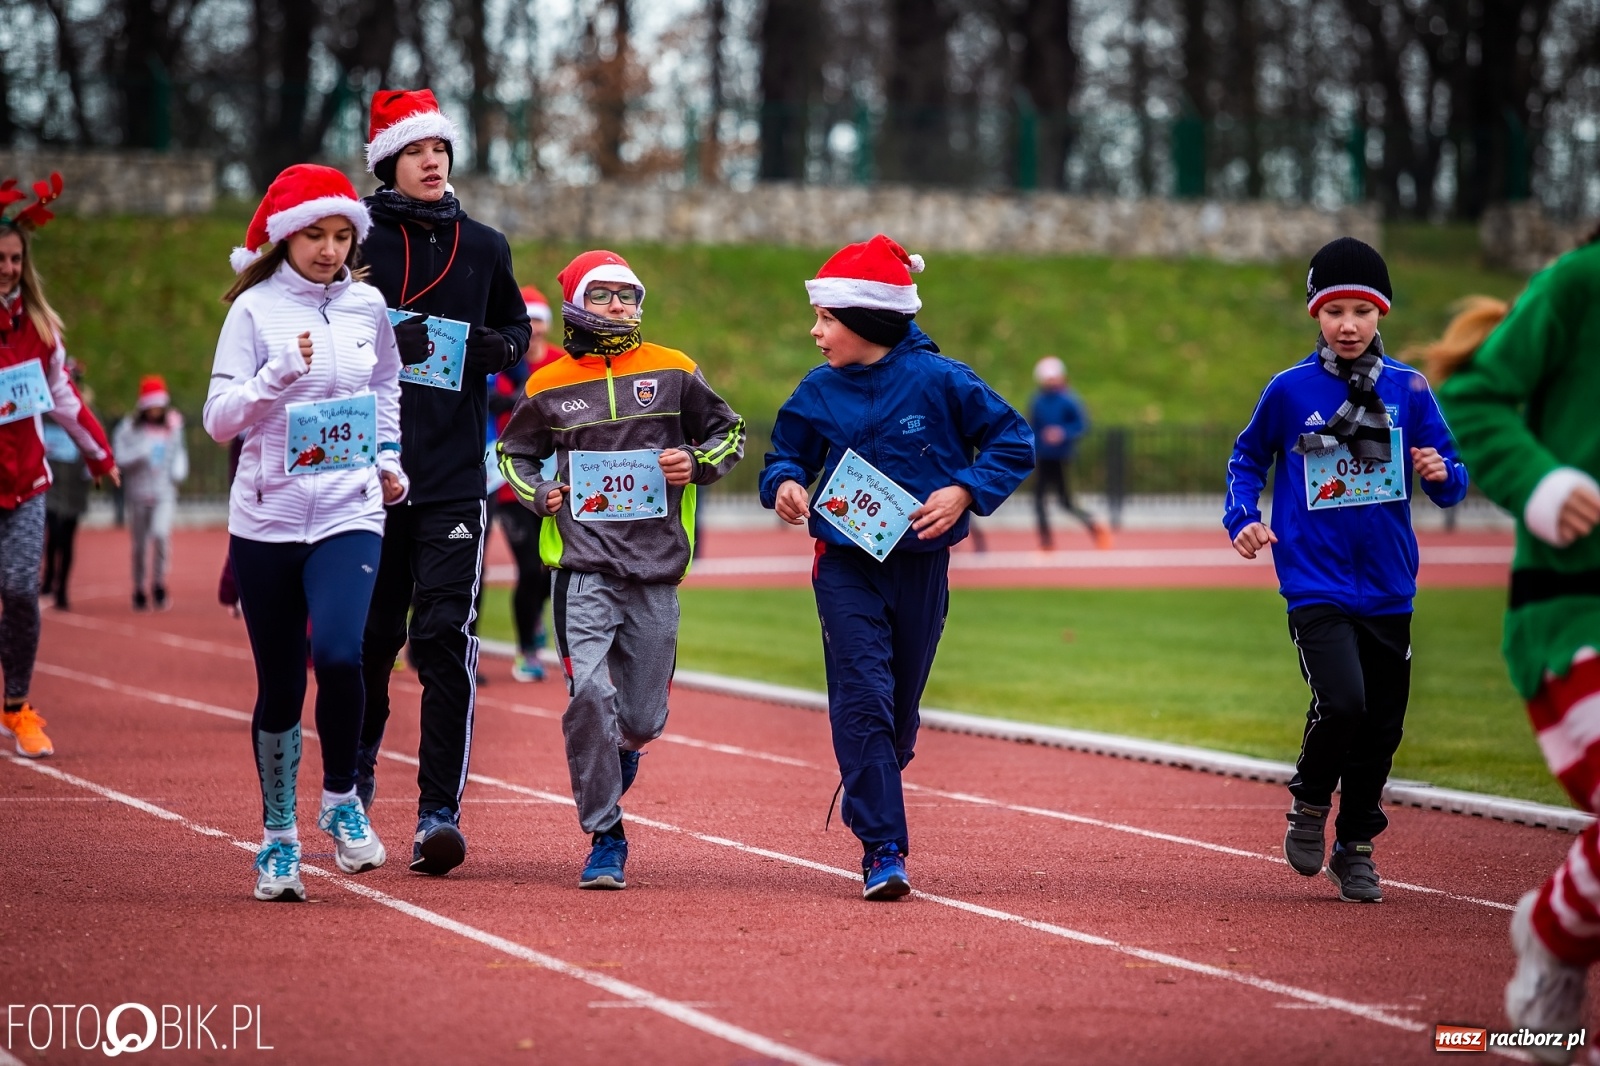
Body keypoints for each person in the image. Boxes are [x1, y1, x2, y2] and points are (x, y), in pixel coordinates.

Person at [760, 235, 1034, 900]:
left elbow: (1013, 438)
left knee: (899, 718)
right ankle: (884, 849)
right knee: (863, 701)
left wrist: (965, 489)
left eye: (826, 318)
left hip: (920, 571)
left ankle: (869, 787)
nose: (815, 331)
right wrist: (787, 484)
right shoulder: (817, 390)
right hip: (845, 565)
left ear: (868, 319)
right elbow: (783, 455)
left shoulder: (942, 380)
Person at [1224, 236, 1468, 905]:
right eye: (1336, 311)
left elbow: (1450, 477)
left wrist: (1443, 474)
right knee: (1345, 702)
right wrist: (1241, 515)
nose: (1350, 324)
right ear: (1316, 316)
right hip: (1315, 580)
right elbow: (1246, 458)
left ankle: (1355, 844)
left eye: (1363, 310)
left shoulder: (1409, 389)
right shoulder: (1289, 390)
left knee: (1383, 723)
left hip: (1390, 584)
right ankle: (1308, 802)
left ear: (1380, 314)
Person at [497, 249, 745, 889]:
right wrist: (539, 494)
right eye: (603, 295)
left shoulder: (673, 370)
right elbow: (514, 454)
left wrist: (695, 461)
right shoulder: (548, 385)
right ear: (577, 303)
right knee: (589, 695)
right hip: (584, 568)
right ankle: (605, 836)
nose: (618, 307)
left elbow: (730, 433)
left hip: (656, 569)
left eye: (628, 297)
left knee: (638, 720)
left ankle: (623, 753)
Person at [205, 163, 408, 902]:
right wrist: (276, 377)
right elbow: (219, 418)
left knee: (341, 653)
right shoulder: (254, 312)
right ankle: (279, 839)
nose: (330, 249)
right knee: (283, 683)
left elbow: (385, 385)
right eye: (316, 234)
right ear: (286, 237)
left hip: (352, 509)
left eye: (342, 235)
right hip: (267, 518)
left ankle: (343, 800)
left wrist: (388, 458)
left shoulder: (367, 306)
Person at [353, 89, 530, 876]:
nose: (432, 161)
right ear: (389, 159)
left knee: (443, 642)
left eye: (441, 150)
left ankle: (436, 816)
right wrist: (383, 335)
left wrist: (494, 349)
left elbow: (517, 333)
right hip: (369, 474)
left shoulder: (486, 245)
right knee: (370, 641)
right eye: (417, 150)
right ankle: (351, 787)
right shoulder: (355, 240)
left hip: (457, 476)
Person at [1435, 234, 1600, 1060]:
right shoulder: (1580, 282)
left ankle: (1554, 929)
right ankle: (1550, 933)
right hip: (1577, 615)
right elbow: (1468, 401)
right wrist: (1540, 482)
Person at [0, 173, 118, 759]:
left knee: (21, 591)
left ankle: (17, 706)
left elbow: (64, 399)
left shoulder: (41, 331)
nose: (7, 268)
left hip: (25, 484)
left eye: (15, 258)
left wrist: (100, 453)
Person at [489, 285, 561, 682]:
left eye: (539, 320)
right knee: (529, 570)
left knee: (552, 568)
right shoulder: (503, 366)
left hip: (556, 483)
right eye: (527, 319)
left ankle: (535, 619)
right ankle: (527, 650)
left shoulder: (561, 364)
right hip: (511, 484)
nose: (532, 327)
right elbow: (492, 407)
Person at [114, 374, 188, 610]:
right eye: (151, 405)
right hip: (137, 494)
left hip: (164, 493)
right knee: (139, 545)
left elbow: (179, 453)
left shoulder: (173, 426)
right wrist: (140, 453)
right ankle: (138, 587)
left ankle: (158, 583)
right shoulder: (129, 428)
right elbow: (120, 458)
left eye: (159, 405)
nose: (156, 409)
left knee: (160, 534)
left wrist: (179, 470)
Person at [1029, 355, 1110, 550]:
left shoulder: (1069, 400)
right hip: (1043, 456)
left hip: (1062, 457)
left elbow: (1082, 425)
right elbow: (1033, 427)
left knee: (1066, 503)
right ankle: (1046, 543)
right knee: (1038, 501)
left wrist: (1062, 433)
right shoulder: (1037, 400)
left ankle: (1094, 525)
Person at [41, 359, 92, 610]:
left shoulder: (85, 411)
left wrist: (92, 468)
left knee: (68, 537)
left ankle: (63, 589)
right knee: (53, 532)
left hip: (74, 486)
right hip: (50, 482)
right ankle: (49, 575)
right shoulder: (44, 411)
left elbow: (94, 440)